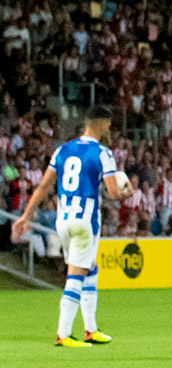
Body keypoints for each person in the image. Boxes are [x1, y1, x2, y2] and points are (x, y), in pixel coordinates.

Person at [11, 106, 128, 346]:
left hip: (63, 220)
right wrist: (127, 190)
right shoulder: (103, 153)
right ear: (102, 124)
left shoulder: (62, 150)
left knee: (90, 267)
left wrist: (25, 217)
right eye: (108, 125)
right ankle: (63, 333)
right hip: (85, 221)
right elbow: (114, 192)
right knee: (76, 274)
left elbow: (43, 187)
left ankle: (90, 329)